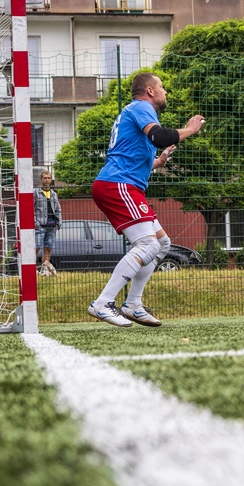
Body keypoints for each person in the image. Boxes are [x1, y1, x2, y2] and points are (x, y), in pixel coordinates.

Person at [87, 72, 204, 326]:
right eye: (161, 86)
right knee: (148, 245)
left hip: (122, 184)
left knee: (161, 244)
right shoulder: (141, 107)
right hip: (118, 185)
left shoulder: (135, 112)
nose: (165, 91)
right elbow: (159, 137)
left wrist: (158, 162)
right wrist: (190, 129)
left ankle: (133, 304)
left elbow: (130, 155)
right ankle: (102, 303)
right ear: (150, 90)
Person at [34, 169, 62, 277]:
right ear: (41, 179)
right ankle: (32, 269)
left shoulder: (53, 194)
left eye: (49, 178)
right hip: (40, 225)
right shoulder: (35, 192)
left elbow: (58, 209)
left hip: (51, 225)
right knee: (36, 247)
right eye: (45, 178)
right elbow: (30, 208)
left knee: (48, 248)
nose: (47, 180)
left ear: (51, 180)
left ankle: (44, 269)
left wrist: (59, 221)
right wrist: (35, 222)